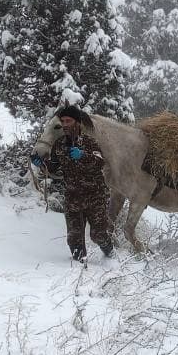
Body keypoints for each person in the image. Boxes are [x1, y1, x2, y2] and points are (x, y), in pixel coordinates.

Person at [34, 105, 114, 262]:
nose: (64, 124)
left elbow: (100, 162)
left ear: (77, 123)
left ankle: (110, 256)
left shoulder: (90, 142)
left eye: (68, 121)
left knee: (99, 234)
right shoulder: (59, 145)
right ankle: (79, 268)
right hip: (72, 198)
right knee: (74, 238)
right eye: (62, 121)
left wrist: (82, 156)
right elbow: (53, 167)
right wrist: (41, 164)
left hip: (95, 197)